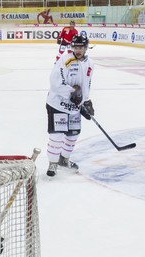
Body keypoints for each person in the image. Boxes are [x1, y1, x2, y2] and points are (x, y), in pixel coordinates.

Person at [45, 35, 93, 177]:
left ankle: (64, 160)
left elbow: (86, 85)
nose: (78, 50)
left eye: (81, 47)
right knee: (57, 136)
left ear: (85, 48)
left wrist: (85, 101)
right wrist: (71, 92)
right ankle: (53, 163)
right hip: (57, 104)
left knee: (73, 135)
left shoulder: (90, 63)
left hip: (74, 106)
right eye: (76, 47)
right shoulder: (65, 61)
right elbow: (55, 83)